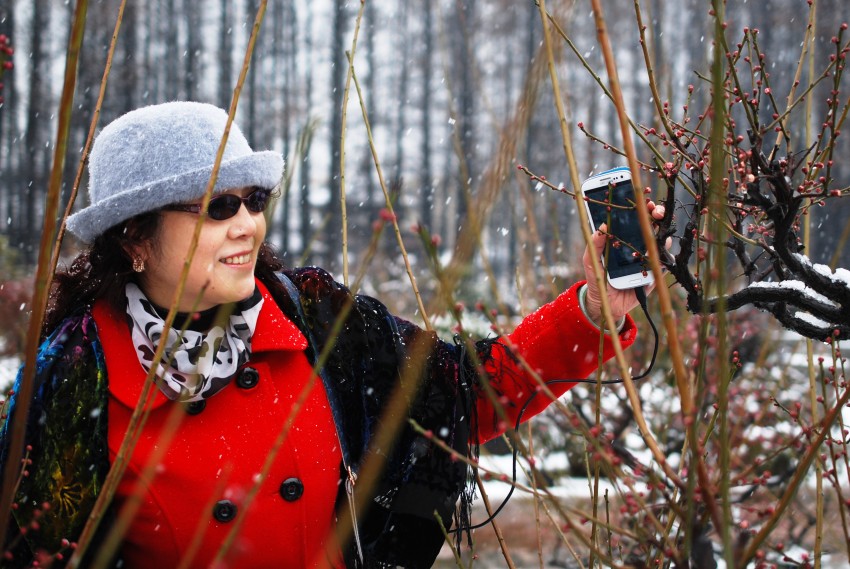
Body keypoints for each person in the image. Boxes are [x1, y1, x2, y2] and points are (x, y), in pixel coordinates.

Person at [0, 101, 660, 569]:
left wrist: (594, 311)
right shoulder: (75, 379)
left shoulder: (315, 317)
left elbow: (469, 393)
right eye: (217, 206)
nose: (247, 224)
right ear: (135, 237)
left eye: (254, 200)